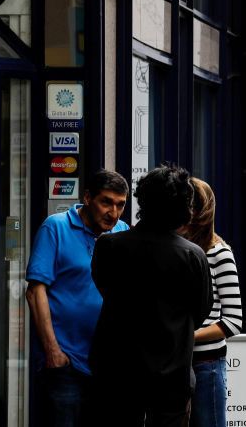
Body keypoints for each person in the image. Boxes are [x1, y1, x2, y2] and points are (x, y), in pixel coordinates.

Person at [90, 163, 214, 427]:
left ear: (143, 201)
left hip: (118, 372)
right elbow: (201, 310)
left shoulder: (109, 246)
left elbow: (103, 287)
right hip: (172, 373)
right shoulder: (193, 255)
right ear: (182, 208)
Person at [25, 170, 130, 426]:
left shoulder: (122, 231)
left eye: (120, 205)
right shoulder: (56, 227)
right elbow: (35, 291)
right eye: (106, 202)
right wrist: (53, 351)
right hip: (66, 362)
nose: (113, 213)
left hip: (108, 363)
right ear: (87, 198)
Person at [182, 178, 244, 427]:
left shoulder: (219, 253)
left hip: (206, 365)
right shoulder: (175, 249)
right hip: (173, 363)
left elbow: (233, 321)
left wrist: (186, 337)